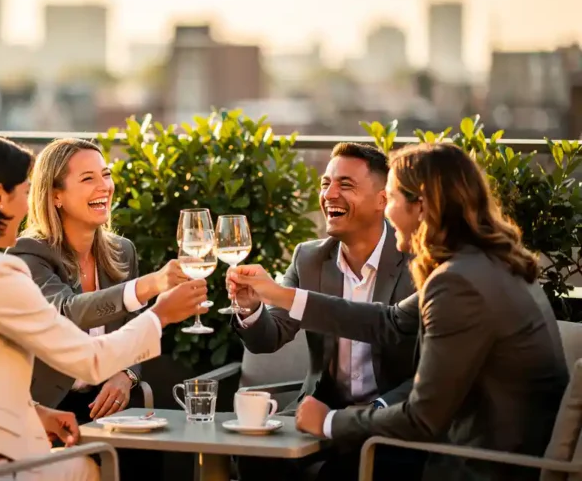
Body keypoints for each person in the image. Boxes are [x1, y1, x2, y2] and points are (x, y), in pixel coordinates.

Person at [0, 134, 208, 481]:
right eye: (26, 190)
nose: (30, 203)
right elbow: (90, 360)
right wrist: (160, 314)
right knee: (93, 468)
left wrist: (33, 413)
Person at [228, 142, 569, 481]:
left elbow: (422, 418)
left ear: (421, 206)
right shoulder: (486, 264)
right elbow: (389, 322)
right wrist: (281, 295)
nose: (388, 213)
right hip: (497, 453)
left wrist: (329, 421)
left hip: (476, 464)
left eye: (391, 198)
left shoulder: (458, 282)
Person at [232, 143, 418, 480]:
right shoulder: (309, 258)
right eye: (325, 183)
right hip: (319, 407)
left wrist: (376, 412)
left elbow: (428, 373)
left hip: (388, 416)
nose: (329, 194)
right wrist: (251, 308)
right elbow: (268, 338)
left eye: (345, 185)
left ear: (383, 200)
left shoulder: (417, 264)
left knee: (344, 472)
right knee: (253, 457)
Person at [8, 137, 187, 420]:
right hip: (48, 408)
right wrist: (151, 285)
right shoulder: (29, 253)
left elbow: (136, 329)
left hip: (108, 402)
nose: (104, 186)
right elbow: (68, 311)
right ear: (56, 195)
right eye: (88, 178)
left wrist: (126, 374)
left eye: (106, 174)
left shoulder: (122, 251)